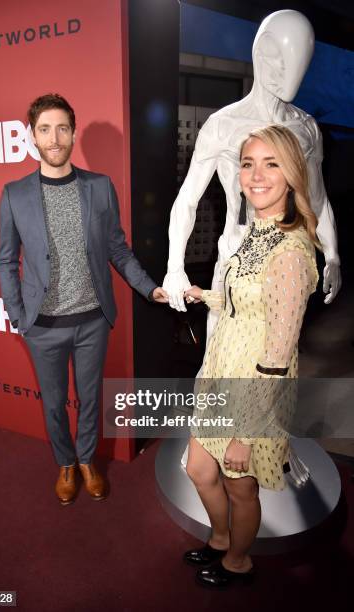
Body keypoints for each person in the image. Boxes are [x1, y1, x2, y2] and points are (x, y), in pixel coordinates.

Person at [164, 9, 341, 486]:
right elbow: (187, 199)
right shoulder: (224, 125)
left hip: (286, 255)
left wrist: (334, 253)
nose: (292, 77)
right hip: (236, 256)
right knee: (219, 356)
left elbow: (318, 197)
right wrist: (173, 268)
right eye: (283, 61)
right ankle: (209, 444)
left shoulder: (305, 129)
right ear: (261, 57)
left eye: (302, 64)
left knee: (278, 357)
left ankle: (272, 446)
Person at [0, 93, 168, 505]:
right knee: (54, 404)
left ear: (73, 134)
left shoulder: (99, 188)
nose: (53, 138)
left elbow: (118, 250)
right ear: (32, 137)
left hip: (92, 320)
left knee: (90, 399)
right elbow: (6, 261)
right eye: (44, 129)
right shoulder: (14, 194)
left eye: (61, 128)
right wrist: (21, 317)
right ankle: (66, 463)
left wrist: (149, 287)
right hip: (43, 325)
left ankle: (88, 459)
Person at [182, 124, 319, 589]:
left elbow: (278, 356)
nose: (256, 175)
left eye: (271, 163)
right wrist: (206, 296)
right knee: (201, 469)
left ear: (292, 175)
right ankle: (220, 540)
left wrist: (245, 432)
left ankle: (238, 560)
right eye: (247, 163)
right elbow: (247, 302)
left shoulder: (292, 253)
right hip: (223, 374)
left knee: (241, 484)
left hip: (254, 390)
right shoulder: (256, 232)